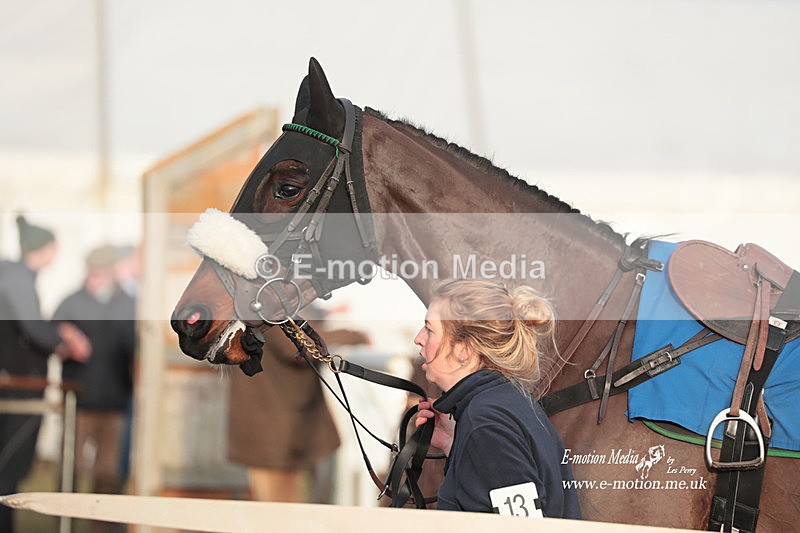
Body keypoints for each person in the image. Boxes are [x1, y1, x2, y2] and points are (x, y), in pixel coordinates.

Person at [414, 279, 581, 518]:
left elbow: (522, 528)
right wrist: (455, 443)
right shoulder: (508, 402)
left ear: (464, 349)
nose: (419, 338)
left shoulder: (485, 422)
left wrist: (476, 436)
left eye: (429, 329)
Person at [0, 216, 90, 533]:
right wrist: (64, 343)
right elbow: (33, 328)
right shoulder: (17, 279)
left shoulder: (15, 277)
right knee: (8, 467)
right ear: (44, 249)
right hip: (19, 386)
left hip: (17, 383)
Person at [227, 305, 368, 503]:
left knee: (275, 507)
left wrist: (325, 313)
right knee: (283, 511)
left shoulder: (257, 300)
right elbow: (299, 346)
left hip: (270, 430)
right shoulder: (268, 303)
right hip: (277, 435)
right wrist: (355, 336)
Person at [53, 244, 134, 530]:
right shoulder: (71, 302)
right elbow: (48, 335)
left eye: (100, 273)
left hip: (114, 401)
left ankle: (102, 527)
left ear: (111, 273)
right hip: (78, 399)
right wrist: (65, 336)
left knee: (107, 472)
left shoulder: (129, 304)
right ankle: (65, 525)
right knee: (70, 469)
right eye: (91, 271)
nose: (94, 278)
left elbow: (136, 347)